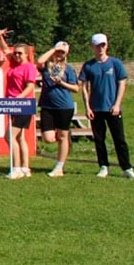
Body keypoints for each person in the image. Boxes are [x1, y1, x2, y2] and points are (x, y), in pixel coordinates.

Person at [79, 34, 134, 180]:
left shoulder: (115, 63)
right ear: (93, 47)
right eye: (97, 46)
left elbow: (122, 84)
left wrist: (117, 104)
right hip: (96, 109)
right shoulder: (88, 65)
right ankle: (103, 166)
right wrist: (87, 107)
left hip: (113, 108)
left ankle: (127, 168)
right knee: (99, 139)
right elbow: (84, 87)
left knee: (119, 139)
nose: (100, 48)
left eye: (103, 45)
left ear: (106, 46)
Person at [37, 42, 80, 177]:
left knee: (62, 136)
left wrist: (61, 83)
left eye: (62, 52)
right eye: (58, 52)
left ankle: (59, 167)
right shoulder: (47, 67)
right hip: (47, 106)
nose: (59, 54)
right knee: (48, 138)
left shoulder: (68, 69)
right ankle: (65, 140)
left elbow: (76, 88)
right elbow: (39, 61)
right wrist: (54, 49)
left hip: (64, 106)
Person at [5, 43, 39, 179]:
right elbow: (6, 51)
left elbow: (30, 86)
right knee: (20, 137)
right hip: (13, 104)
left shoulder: (29, 67)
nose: (17, 55)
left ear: (26, 54)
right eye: (15, 53)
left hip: (23, 104)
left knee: (9, 136)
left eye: (20, 53)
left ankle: (16, 168)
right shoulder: (14, 65)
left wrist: (18, 98)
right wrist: (0, 37)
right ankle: (25, 167)